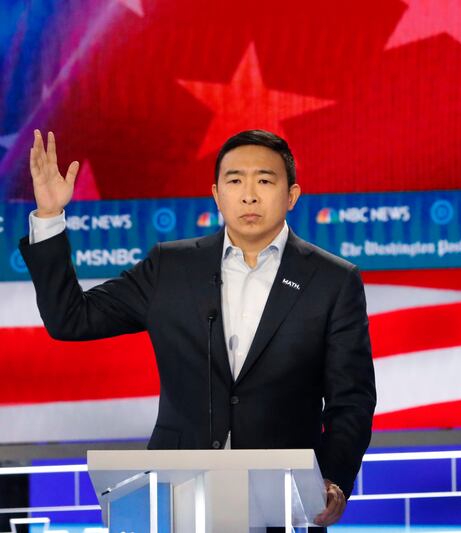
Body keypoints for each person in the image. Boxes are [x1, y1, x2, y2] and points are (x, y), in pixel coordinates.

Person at [21, 129, 376, 528]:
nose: (249, 194)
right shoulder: (170, 268)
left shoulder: (332, 280)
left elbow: (352, 400)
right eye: (235, 180)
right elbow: (71, 318)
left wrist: (333, 479)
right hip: (177, 498)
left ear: (291, 195)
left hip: (285, 502)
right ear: (216, 194)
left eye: (264, 180)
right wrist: (50, 217)